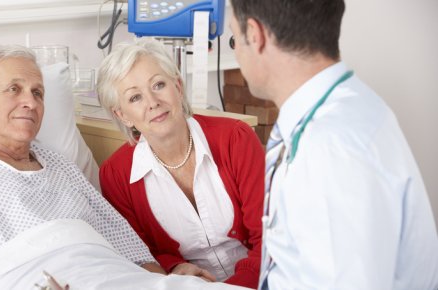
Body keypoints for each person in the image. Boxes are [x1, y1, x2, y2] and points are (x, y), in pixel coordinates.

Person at [228, 1, 438, 289]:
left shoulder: (329, 147)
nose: (237, 52)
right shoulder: (342, 108)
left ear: (255, 35)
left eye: (233, 39)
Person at [0, 44, 168, 288]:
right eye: (14, 89)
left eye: (38, 93)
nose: (30, 103)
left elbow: (132, 250)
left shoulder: (61, 165)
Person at [97, 39, 265, 289]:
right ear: (122, 115)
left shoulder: (236, 139)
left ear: (178, 86)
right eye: (135, 98)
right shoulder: (116, 175)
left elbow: (271, 239)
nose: (153, 102)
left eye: (159, 85)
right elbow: (138, 253)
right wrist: (173, 267)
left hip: (262, 278)